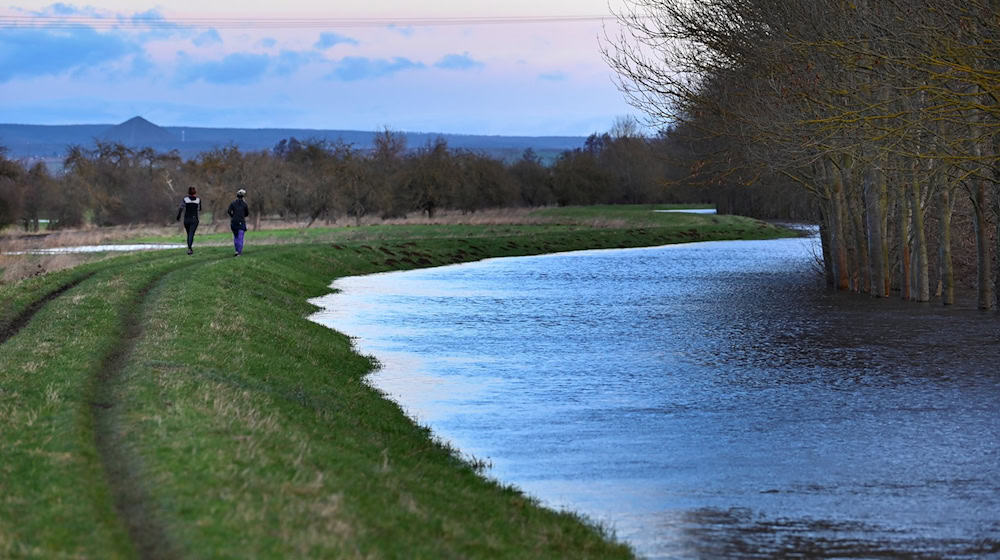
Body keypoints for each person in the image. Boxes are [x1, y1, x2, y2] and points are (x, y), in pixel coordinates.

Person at [176, 186, 201, 255]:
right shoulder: (198, 200)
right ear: (195, 192)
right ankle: (189, 249)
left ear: (188, 192)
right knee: (191, 234)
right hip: (194, 219)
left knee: (188, 234)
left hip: (186, 219)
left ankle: (190, 248)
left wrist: (178, 216)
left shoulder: (185, 199)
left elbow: (181, 208)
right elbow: (199, 209)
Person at [227, 188, 250, 257]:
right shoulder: (245, 204)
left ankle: (236, 251)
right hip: (241, 222)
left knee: (236, 237)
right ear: (243, 196)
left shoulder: (233, 203)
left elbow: (229, 211)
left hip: (234, 222)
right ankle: (239, 252)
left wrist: (233, 216)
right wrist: (242, 215)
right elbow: (247, 213)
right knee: (240, 237)